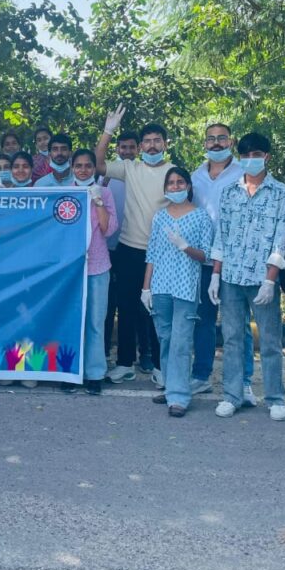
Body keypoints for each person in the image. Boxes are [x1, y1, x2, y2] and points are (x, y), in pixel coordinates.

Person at [209, 132, 285, 421]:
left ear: (266, 156)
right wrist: (215, 275)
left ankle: (275, 397)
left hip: (262, 277)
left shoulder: (281, 193)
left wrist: (271, 278)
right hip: (231, 276)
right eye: (245, 155)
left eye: (256, 155)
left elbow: (281, 238)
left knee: (270, 341)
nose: (250, 160)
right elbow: (222, 234)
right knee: (232, 338)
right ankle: (233, 394)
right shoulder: (230, 191)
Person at [95, 107, 171, 383]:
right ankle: (125, 362)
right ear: (140, 147)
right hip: (129, 248)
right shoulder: (130, 168)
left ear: (165, 144)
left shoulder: (175, 173)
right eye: (147, 141)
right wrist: (108, 130)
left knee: (158, 309)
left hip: (163, 254)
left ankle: (162, 367)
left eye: (157, 140)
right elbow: (98, 162)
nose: (152, 145)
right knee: (126, 308)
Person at [142, 168, 213, 417]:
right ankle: (171, 386)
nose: (175, 186)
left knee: (182, 341)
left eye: (179, 182)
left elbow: (206, 255)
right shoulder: (159, 217)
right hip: (160, 286)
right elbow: (151, 254)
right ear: (165, 188)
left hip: (185, 287)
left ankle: (180, 397)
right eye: (170, 183)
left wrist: (186, 247)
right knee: (166, 338)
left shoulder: (201, 217)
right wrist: (146, 287)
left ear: (189, 186)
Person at [190, 123, 251, 399]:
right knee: (203, 321)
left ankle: (244, 380)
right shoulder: (194, 177)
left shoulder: (244, 173)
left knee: (237, 324)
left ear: (231, 141)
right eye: (211, 139)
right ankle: (201, 375)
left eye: (221, 138)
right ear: (204, 143)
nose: (216, 143)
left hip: (234, 260)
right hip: (203, 260)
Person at [72, 149, 118, 395]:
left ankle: (94, 373)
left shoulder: (105, 192)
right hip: (69, 270)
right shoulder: (65, 192)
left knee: (95, 322)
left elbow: (108, 229)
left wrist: (98, 201)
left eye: (88, 166)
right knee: (70, 320)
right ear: (72, 168)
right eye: (78, 166)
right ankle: (69, 371)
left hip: (98, 266)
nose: (83, 170)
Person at [102, 132, 136, 363]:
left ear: (138, 150)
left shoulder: (142, 173)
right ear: (117, 150)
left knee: (130, 304)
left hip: (130, 245)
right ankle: (102, 352)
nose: (127, 151)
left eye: (131, 148)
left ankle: (136, 356)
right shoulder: (105, 177)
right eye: (123, 147)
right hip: (104, 248)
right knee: (105, 304)